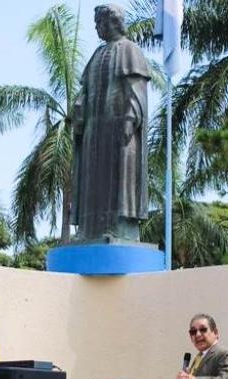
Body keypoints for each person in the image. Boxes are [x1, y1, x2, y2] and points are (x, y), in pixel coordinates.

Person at [71, 4, 150, 241]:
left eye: (100, 23)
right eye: (96, 24)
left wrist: (130, 119)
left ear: (113, 22)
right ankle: (88, 229)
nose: (97, 28)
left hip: (118, 129)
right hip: (94, 130)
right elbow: (84, 90)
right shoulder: (97, 55)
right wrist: (78, 108)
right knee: (91, 180)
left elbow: (136, 90)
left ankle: (117, 228)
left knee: (118, 180)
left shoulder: (130, 51)